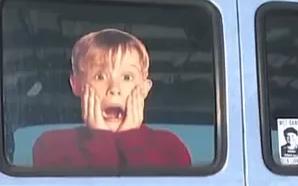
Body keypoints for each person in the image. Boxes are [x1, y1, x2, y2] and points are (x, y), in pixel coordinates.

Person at [31, 28, 191, 169]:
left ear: (144, 89)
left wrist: (131, 138)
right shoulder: (53, 145)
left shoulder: (170, 146)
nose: (114, 88)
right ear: (77, 85)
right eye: (100, 77)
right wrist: (100, 138)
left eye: (127, 77)